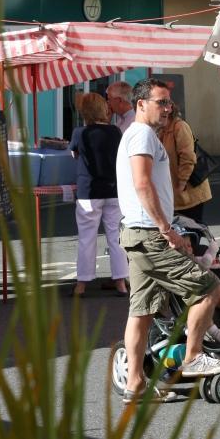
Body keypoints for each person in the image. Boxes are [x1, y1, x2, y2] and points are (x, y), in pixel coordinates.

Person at [116, 78, 220, 403]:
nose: (167, 108)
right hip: (150, 235)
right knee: (209, 287)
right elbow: (142, 183)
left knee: (141, 311)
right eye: (161, 102)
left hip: (137, 233)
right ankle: (193, 356)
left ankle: (135, 384)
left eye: (169, 103)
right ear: (141, 104)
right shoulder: (142, 135)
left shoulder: (136, 134)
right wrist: (167, 229)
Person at [69, 93, 129, 297]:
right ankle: (121, 282)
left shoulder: (80, 133)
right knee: (116, 237)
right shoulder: (115, 132)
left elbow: (74, 154)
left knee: (87, 238)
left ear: (85, 112)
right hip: (114, 190)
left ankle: (82, 284)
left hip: (89, 191)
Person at [157, 103, 212, 223]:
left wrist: (181, 184)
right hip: (173, 195)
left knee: (191, 228)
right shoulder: (161, 130)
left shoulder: (179, 127)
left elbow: (188, 158)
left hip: (188, 192)